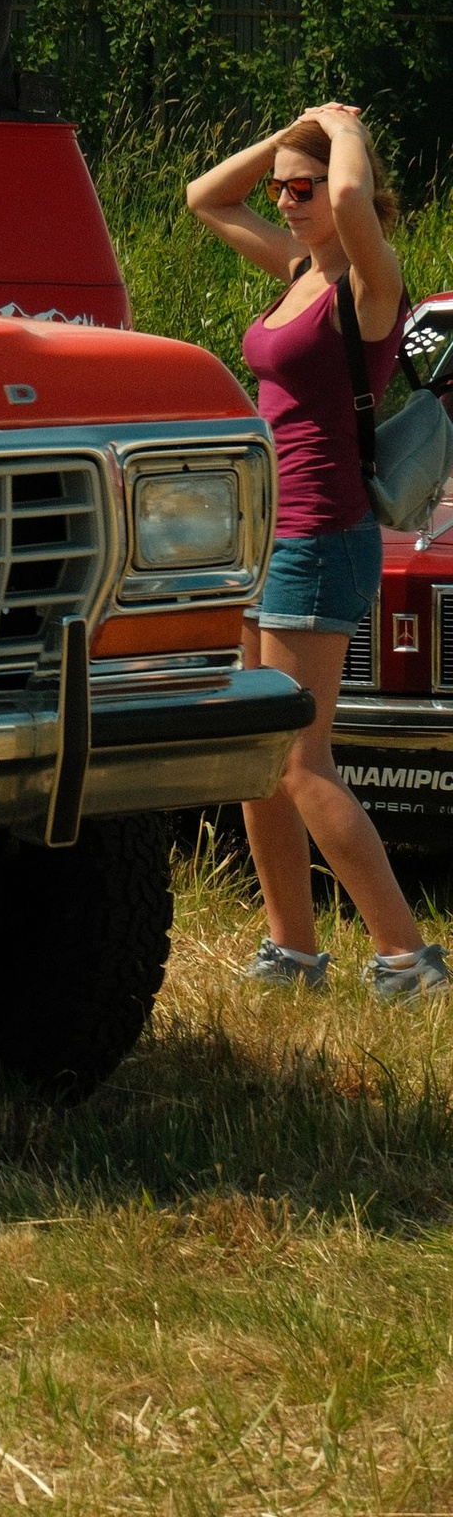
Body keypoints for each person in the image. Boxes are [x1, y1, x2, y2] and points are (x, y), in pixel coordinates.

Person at [186, 104, 450, 1000]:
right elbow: (202, 199)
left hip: (322, 534)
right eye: (282, 191)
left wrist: (341, 136)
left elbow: (346, 189)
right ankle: (293, 949)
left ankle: (409, 961)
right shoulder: (298, 267)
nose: (290, 202)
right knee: (257, 755)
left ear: (353, 196)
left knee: (302, 759)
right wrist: (284, 138)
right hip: (266, 533)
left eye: (304, 190)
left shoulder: (370, 288)